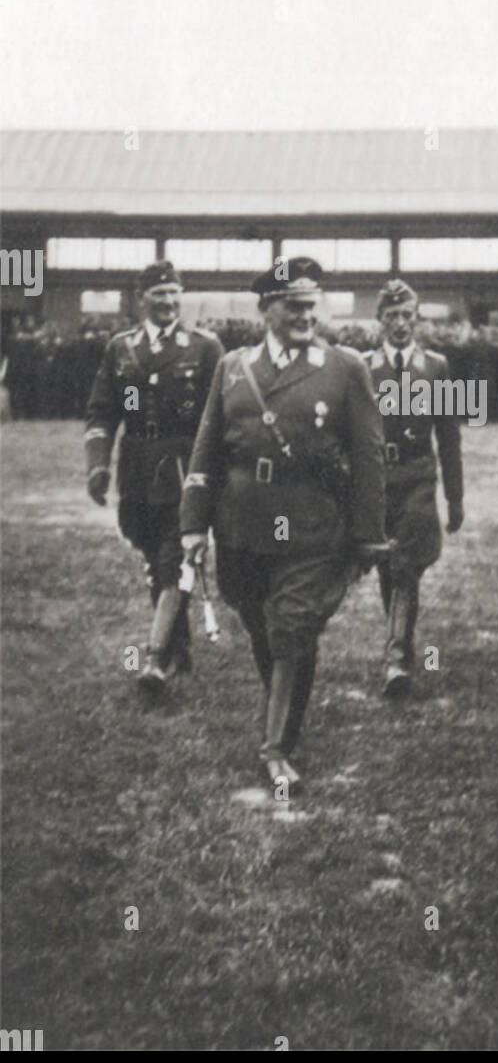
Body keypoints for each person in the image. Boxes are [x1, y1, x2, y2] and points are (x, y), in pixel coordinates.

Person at [179, 258, 388, 789]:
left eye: (309, 306)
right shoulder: (232, 367)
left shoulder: (345, 368)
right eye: (292, 306)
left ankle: (276, 749)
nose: (304, 316)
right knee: (259, 626)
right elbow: (206, 450)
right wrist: (192, 526)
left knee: (290, 630)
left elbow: (368, 455)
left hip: (311, 525)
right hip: (243, 526)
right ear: (266, 309)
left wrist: (367, 533)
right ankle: (283, 709)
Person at [85, 261, 224, 695]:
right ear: (142, 298)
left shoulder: (205, 348)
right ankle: (179, 646)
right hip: (137, 472)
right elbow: (103, 411)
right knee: (154, 562)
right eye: (159, 293)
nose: (167, 301)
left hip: (185, 470)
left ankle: (154, 659)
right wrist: (98, 464)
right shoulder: (121, 349)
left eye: (173, 293)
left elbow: (218, 417)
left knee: (174, 562)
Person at [364, 279, 464, 697]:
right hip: (378, 484)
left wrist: (455, 498)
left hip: (419, 479)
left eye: (407, 315)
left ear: (417, 319)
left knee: (405, 565)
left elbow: (449, 435)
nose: (401, 324)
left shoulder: (436, 367)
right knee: (389, 569)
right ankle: (402, 641)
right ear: (380, 321)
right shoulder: (363, 367)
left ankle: (396, 659)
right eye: (392, 316)